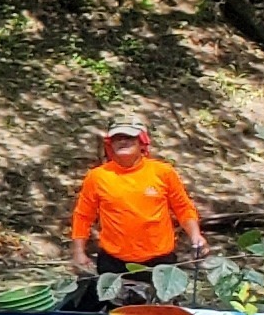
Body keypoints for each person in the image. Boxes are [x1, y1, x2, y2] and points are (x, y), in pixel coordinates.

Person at [66, 119, 205, 304]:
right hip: (114, 262)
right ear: (110, 145)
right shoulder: (98, 176)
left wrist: (196, 235)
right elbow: (83, 215)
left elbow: (183, 207)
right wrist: (78, 252)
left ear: (142, 142)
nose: (122, 142)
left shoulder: (163, 172)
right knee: (113, 314)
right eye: (117, 139)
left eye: (129, 137)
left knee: (160, 313)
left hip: (159, 262)